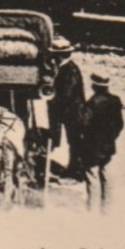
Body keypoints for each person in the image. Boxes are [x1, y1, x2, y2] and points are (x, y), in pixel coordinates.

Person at [82, 72, 125, 209]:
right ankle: (106, 209)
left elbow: (85, 124)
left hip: (92, 146)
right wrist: (111, 137)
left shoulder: (92, 102)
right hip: (108, 144)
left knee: (91, 176)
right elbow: (119, 124)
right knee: (106, 174)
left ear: (94, 85)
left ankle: (91, 209)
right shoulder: (115, 100)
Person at [47, 34, 88, 180]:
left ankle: (77, 172)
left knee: (75, 142)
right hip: (69, 111)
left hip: (74, 111)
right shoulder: (64, 67)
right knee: (73, 141)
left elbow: (66, 94)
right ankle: (73, 169)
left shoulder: (70, 70)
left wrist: (51, 99)